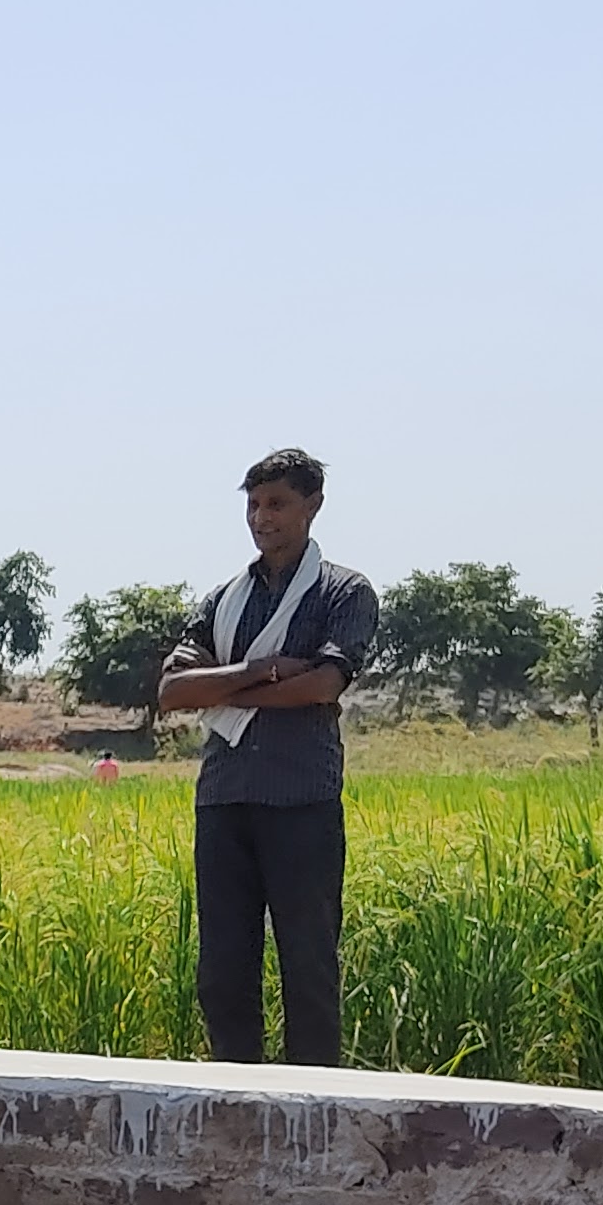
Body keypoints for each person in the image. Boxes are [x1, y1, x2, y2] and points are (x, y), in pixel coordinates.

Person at [154, 448, 381, 1066]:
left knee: (308, 967)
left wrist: (222, 684)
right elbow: (173, 693)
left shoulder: (344, 591)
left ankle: (315, 1112)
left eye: (277, 503)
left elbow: (322, 686)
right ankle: (237, 1104)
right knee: (222, 972)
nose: (262, 517)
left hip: (300, 798)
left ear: (313, 506)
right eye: (253, 505)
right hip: (225, 796)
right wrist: (261, 670)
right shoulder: (223, 598)